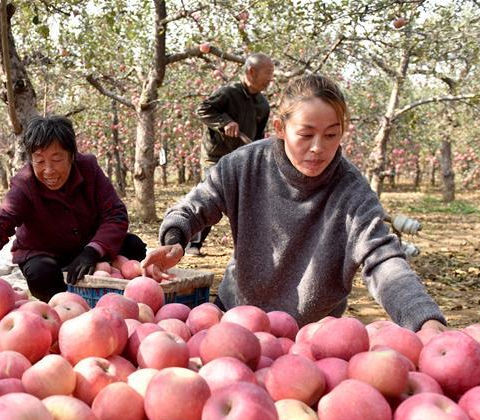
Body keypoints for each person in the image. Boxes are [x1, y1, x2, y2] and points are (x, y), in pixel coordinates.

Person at [143, 74, 447, 334]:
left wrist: (424, 319)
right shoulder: (243, 166)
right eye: (305, 134)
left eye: (331, 135)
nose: (318, 148)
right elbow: (195, 206)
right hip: (234, 322)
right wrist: (175, 239)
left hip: (308, 340)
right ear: (279, 128)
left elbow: (382, 259)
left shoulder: (351, 190)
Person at [0, 115, 146, 302]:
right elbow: (0, 221)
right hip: (45, 253)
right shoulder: (24, 184)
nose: (48, 170)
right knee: (41, 275)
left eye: (56, 159)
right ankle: (66, 307)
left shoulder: (89, 169)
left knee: (134, 246)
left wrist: (93, 251)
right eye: (39, 161)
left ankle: (106, 293)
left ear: (72, 155)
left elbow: (115, 214)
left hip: (88, 247)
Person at [188, 52, 274, 256]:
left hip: (242, 158)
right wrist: (225, 122)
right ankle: (193, 244)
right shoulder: (229, 93)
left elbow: (259, 135)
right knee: (212, 196)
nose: (271, 78)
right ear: (251, 71)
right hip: (216, 156)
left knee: (246, 200)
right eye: (268, 73)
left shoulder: (263, 104)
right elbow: (203, 110)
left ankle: (247, 250)